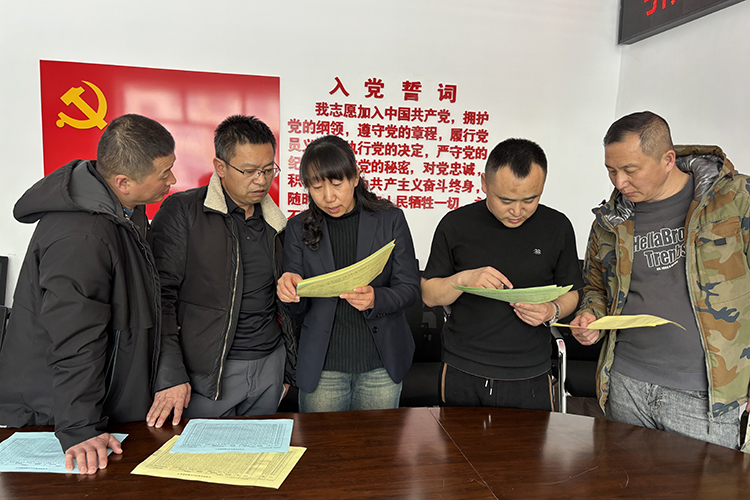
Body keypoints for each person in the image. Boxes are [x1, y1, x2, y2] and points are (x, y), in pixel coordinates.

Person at [0, 114, 177, 474]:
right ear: (123, 182)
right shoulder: (81, 235)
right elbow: (75, 337)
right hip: (54, 418)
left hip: (101, 407)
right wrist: (80, 428)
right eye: (164, 173)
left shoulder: (124, 212)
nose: (172, 180)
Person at [570, 111, 750, 450]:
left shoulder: (735, 200)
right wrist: (591, 314)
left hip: (705, 397)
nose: (619, 182)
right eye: (611, 170)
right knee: (623, 477)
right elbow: (595, 286)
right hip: (626, 383)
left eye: (630, 170)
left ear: (667, 160)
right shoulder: (611, 220)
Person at [146, 115, 296, 427]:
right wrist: (170, 374)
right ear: (220, 167)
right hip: (209, 374)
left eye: (268, 169)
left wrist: (287, 371)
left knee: (262, 454)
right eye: (249, 171)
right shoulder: (183, 212)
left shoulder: (278, 225)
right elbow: (159, 299)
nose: (261, 180)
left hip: (270, 365)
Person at [421, 138, 583, 411]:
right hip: (464, 367)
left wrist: (551, 310)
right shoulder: (456, 224)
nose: (517, 211)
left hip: (531, 371)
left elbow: (572, 292)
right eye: (505, 200)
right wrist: (463, 280)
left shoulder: (557, 227)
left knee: (529, 441)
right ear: (484, 183)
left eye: (530, 200)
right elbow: (429, 295)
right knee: (457, 440)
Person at [277, 135, 419, 412]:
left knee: (377, 439)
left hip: (380, 364)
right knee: (322, 440)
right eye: (317, 187)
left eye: (337, 184)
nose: (328, 197)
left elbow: (410, 288)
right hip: (323, 367)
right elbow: (296, 310)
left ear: (355, 177)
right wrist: (290, 293)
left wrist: (376, 298)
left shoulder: (390, 219)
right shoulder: (297, 228)